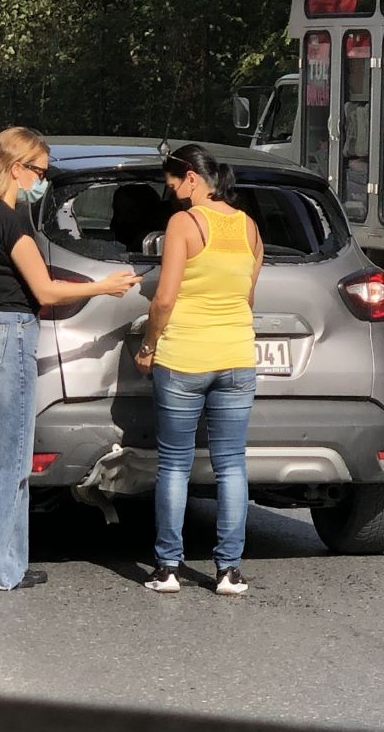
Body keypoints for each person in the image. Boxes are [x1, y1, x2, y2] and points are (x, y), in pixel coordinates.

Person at [0, 127, 138, 590]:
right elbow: (45, 291)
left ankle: (1, 563)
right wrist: (103, 286)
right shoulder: (13, 223)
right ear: (16, 168)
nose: (42, 182)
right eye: (40, 172)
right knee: (9, 460)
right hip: (7, 336)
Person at [136, 144, 263, 597]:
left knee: (175, 464)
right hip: (237, 358)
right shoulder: (249, 227)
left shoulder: (184, 224)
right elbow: (247, 297)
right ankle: (229, 571)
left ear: (191, 177)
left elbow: (164, 299)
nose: (172, 193)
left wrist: (148, 346)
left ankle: (168, 567)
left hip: (184, 358)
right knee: (231, 465)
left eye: (172, 184)